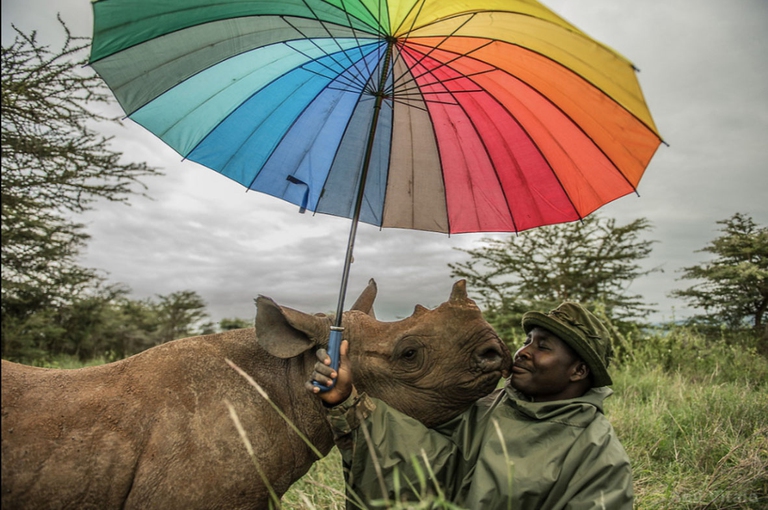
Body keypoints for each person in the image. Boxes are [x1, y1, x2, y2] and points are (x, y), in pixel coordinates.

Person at [307, 302, 633, 509]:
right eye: (527, 341)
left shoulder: (598, 456)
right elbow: (429, 462)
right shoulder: (490, 406)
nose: (522, 351)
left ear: (578, 371)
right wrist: (348, 400)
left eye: (542, 347)